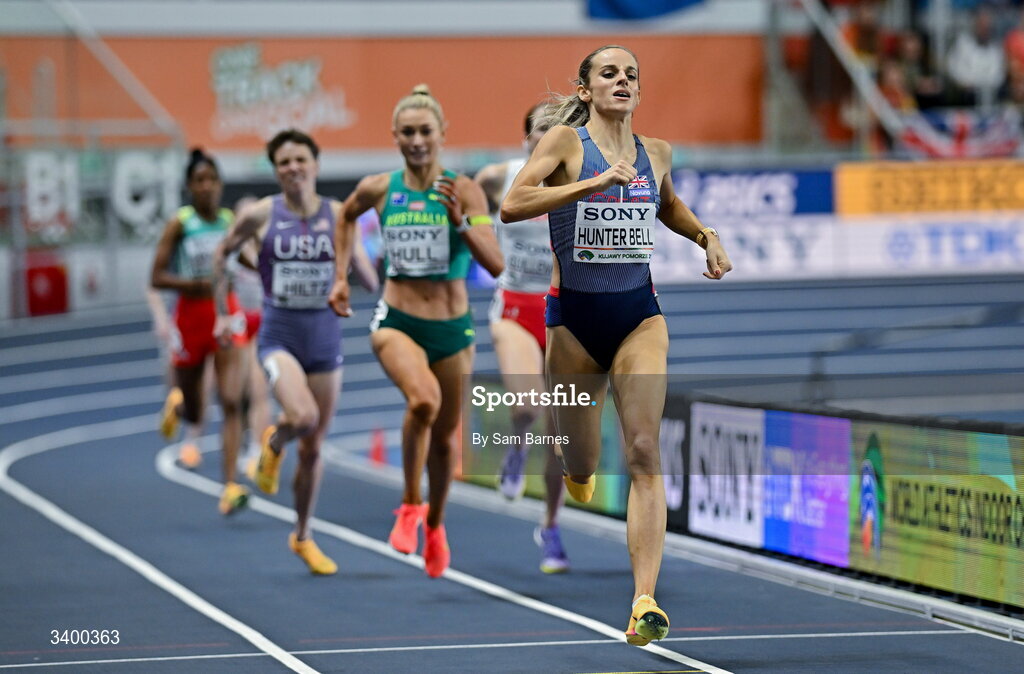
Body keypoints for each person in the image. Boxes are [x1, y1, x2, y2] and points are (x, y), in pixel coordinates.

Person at [500, 46, 732, 646]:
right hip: (573, 324)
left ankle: (643, 601)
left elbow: (669, 205)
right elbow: (512, 205)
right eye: (609, 74)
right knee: (581, 462)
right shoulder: (562, 144)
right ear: (585, 90)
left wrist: (705, 235)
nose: (622, 81)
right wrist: (594, 183)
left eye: (631, 74)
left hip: (638, 318)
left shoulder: (657, 153)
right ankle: (576, 472)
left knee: (644, 450)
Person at [330, 85, 504, 579]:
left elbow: (495, 265)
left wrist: (462, 224)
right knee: (423, 402)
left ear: (442, 135)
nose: (416, 140)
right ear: (395, 137)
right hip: (397, 321)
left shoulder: (463, 189)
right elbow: (345, 217)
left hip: (451, 328)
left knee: (447, 439)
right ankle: (409, 505)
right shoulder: (379, 189)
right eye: (407, 132)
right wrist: (341, 278)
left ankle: (438, 524)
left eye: (425, 131)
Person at [213, 128, 377, 575]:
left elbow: (364, 271)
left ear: (315, 165)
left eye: (300, 159)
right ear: (276, 170)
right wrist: (221, 314)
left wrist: (367, 276)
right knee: (301, 419)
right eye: (283, 162)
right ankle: (274, 439)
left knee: (314, 448)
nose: (293, 168)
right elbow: (221, 252)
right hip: (279, 336)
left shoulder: (339, 214)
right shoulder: (263, 214)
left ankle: (302, 536)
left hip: (325, 339)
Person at [475, 103, 570, 574]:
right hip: (514, 307)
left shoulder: (578, 178)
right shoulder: (501, 176)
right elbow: (467, 200)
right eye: (540, 131)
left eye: (558, 131)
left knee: (561, 439)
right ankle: (516, 449)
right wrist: (474, 238)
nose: (548, 138)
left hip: (561, 313)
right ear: (526, 139)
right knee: (528, 406)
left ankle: (550, 526)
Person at [151, 149, 250, 516]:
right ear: (189, 187)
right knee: (195, 411)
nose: (206, 187)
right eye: (199, 181)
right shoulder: (181, 223)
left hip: (227, 312)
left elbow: (250, 260)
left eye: (212, 180)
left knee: (230, 399)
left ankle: (229, 485)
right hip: (191, 315)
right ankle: (179, 401)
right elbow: (156, 276)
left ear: (220, 184)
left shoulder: (231, 221)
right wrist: (194, 285)